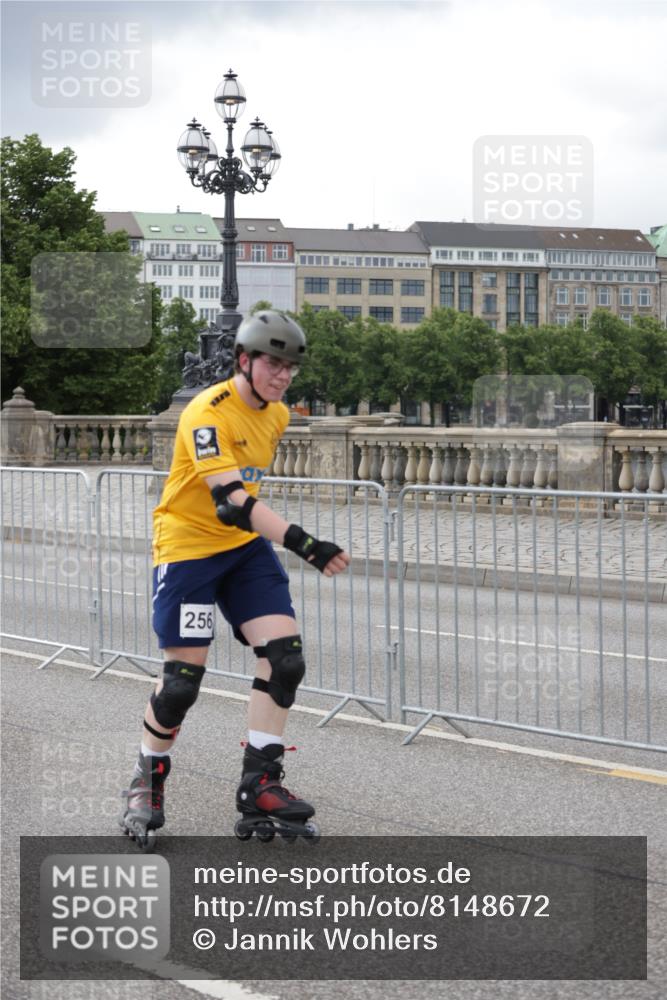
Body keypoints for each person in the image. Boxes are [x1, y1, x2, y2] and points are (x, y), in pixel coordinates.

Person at [120, 311, 350, 847]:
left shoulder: (278, 415)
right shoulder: (206, 412)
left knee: (285, 659)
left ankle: (260, 783)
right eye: (273, 363)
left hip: (243, 551)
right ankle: (146, 779)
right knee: (180, 685)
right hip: (189, 550)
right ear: (244, 361)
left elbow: (242, 510)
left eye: (290, 367)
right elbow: (231, 500)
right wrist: (305, 544)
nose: (283, 375)